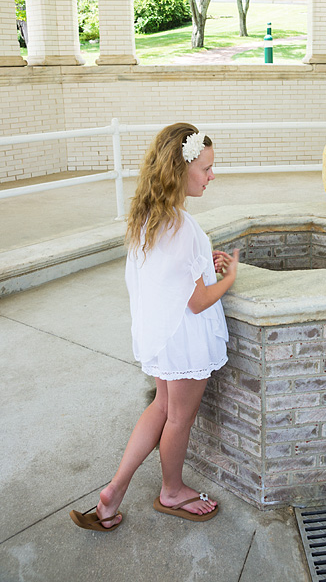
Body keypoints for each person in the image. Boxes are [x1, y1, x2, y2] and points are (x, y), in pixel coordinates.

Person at [69, 123, 238, 532]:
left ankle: (113, 492)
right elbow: (197, 302)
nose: (212, 176)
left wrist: (202, 263)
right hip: (185, 339)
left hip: (161, 335)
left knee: (162, 407)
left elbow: (170, 276)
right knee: (179, 417)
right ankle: (172, 490)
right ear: (181, 170)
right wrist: (230, 276)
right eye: (206, 169)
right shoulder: (181, 227)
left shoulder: (149, 215)